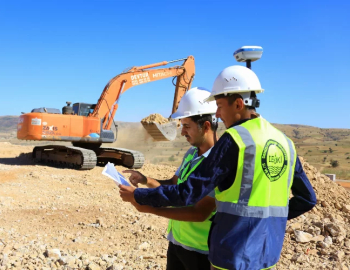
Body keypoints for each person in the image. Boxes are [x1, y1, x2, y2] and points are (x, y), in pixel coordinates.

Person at [120, 66, 317, 270]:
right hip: (267, 256)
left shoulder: (236, 139)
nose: (217, 114)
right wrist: (270, 223)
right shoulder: (285, 143)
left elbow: (189, 193)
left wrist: (141, 198)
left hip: (233, 253)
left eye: (220, 106)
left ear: (239, 104)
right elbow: (307, 199)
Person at [124, 87, 217, 270]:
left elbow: (200, 213)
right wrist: (146, 180)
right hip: (177, 242)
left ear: (205, 126)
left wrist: (149, 208)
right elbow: (175, 184)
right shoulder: (191, 153)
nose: (182, 132)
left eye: (187, 126)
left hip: (201, 252)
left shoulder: (217, 162)